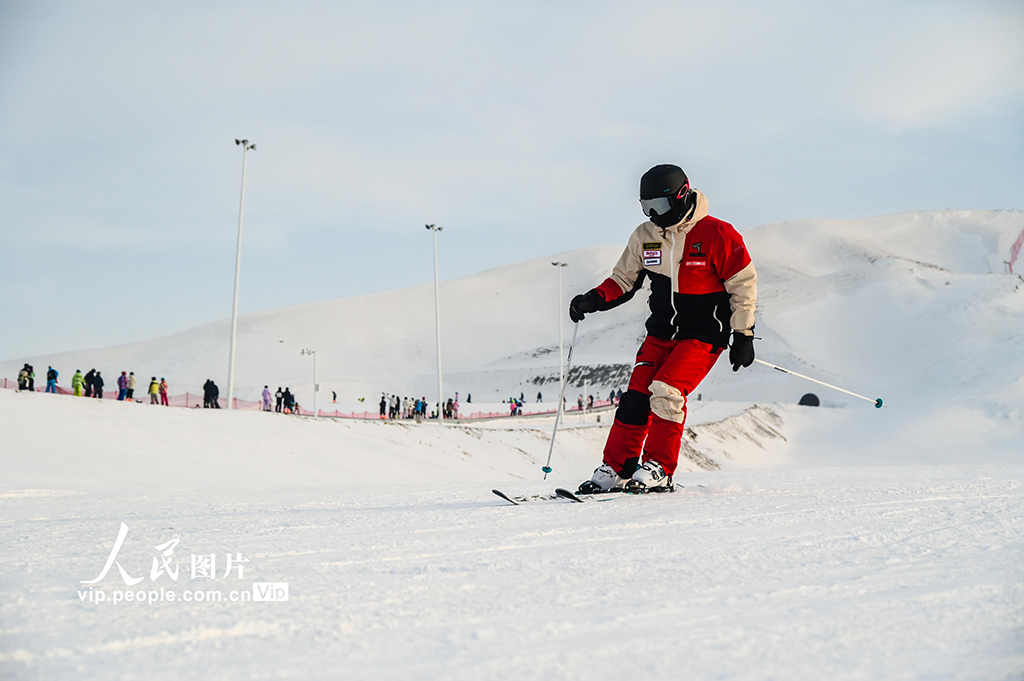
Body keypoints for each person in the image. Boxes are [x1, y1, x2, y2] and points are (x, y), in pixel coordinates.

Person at [570, 164, 756, 495]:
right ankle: (618, 467)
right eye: (647, 208)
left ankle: (659, 468)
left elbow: (742, 286)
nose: (654, 215)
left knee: (666, 391)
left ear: (682, 197)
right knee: (635, 398)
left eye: (661, 207)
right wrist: (593, 299)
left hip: (701, 336)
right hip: (659, 335)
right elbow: (623, 280)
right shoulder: (646, 235)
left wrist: (743, 335)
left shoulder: (717, 234)